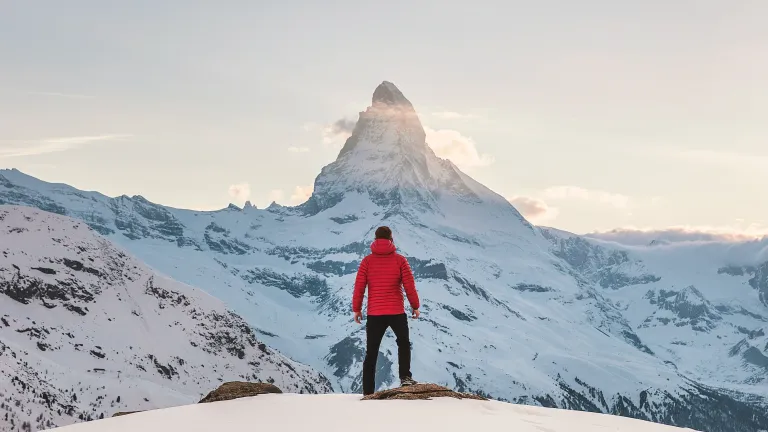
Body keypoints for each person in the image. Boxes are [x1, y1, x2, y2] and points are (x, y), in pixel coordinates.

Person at [352, 226, 421, 396]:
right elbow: (409, 285)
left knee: (371, 352)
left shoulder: (367, 261)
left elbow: (359, 287)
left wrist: (357, 309)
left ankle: (368, 391)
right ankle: (405, 377)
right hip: (396, 311)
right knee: (403, 343)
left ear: (375, 239)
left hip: (375, 313)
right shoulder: (400, 260)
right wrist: (415, 306)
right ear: (391, 239)